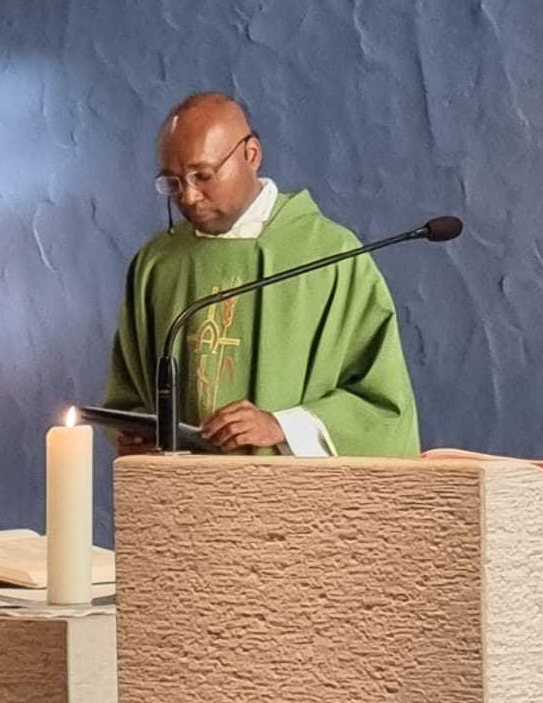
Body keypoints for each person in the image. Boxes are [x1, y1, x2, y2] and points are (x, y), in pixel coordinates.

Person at [105, 92, 419, 456]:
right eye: (173, 183)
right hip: (182, 500)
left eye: (202, 176)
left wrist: (281, 425)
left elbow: (382, 407)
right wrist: (135, 431)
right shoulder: (157, 262)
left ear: (251, 155)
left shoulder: (330, 255)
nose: (189, 197)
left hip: (292, 503)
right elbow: (127, 394)